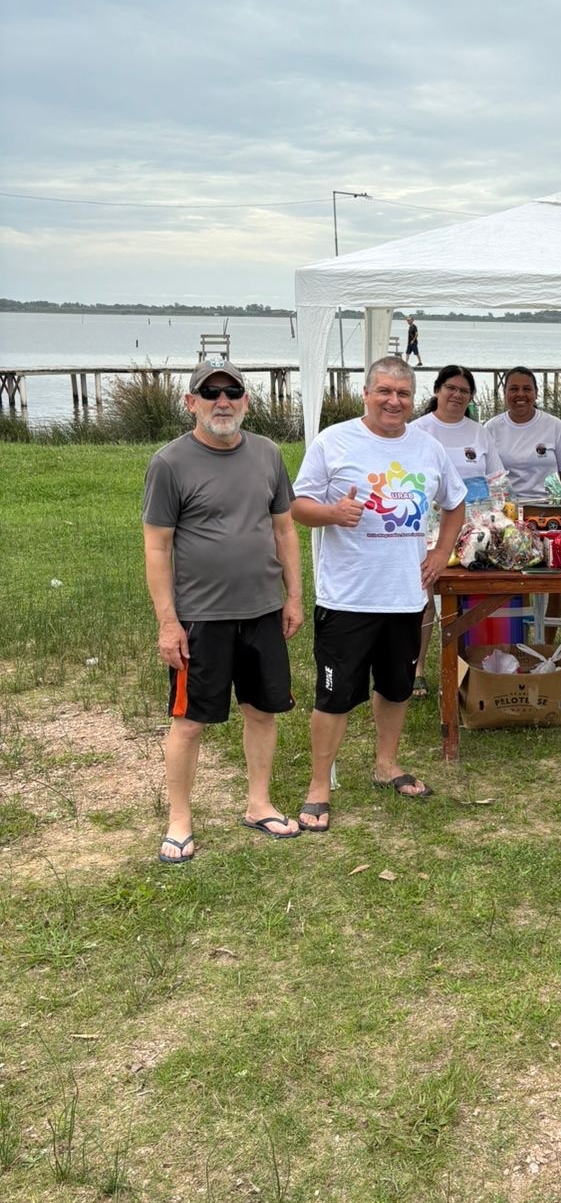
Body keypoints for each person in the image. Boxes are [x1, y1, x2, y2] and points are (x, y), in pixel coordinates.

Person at [290, 357, 465, 830]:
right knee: (334, 696)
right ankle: (319, 786)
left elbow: (456, 503)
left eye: (403, 394)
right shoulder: (334, 441)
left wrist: (442, 553)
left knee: (395, 687)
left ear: (414, 399)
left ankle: (386, 764)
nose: (393, 401)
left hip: (405, 596)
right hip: (347, 597)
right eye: (384, 391)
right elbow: (297, 506)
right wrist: (332, 514)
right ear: (365, 393)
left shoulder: (428, 449)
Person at [142, 359, 303, 864]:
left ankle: (258, 804)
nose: (222, 401)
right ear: (191, 403)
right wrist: (168, 621)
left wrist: (294, 596)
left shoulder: (268, 455)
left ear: (246, 402)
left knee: (261, 711)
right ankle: (179, 821)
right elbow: (156, 548)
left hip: (261, 612)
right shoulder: (169, 464)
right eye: (209, 393)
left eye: (232, 392)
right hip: (200, 620)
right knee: (190, 721)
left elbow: (284, 530)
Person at [409, 365, 498, 693]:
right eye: (451, 388)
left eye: (464, 390)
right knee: (424, 596)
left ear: (471, 396)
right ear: (436, 391)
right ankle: (416, 666)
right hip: (426, 526)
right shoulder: (417, 431)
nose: (457, 395)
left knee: (469, 594)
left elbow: (495, 480)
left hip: (475, 528)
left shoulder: (480, 432)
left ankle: (472, 660)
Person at [484, 367, 561, 497]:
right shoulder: (491, 428)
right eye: (514, 389)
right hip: (507, 510)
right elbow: (487, 478)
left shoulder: (555, 425)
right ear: (504, 393)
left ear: (536, 393)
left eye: (527, 389)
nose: (520, 394)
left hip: (549, 508)